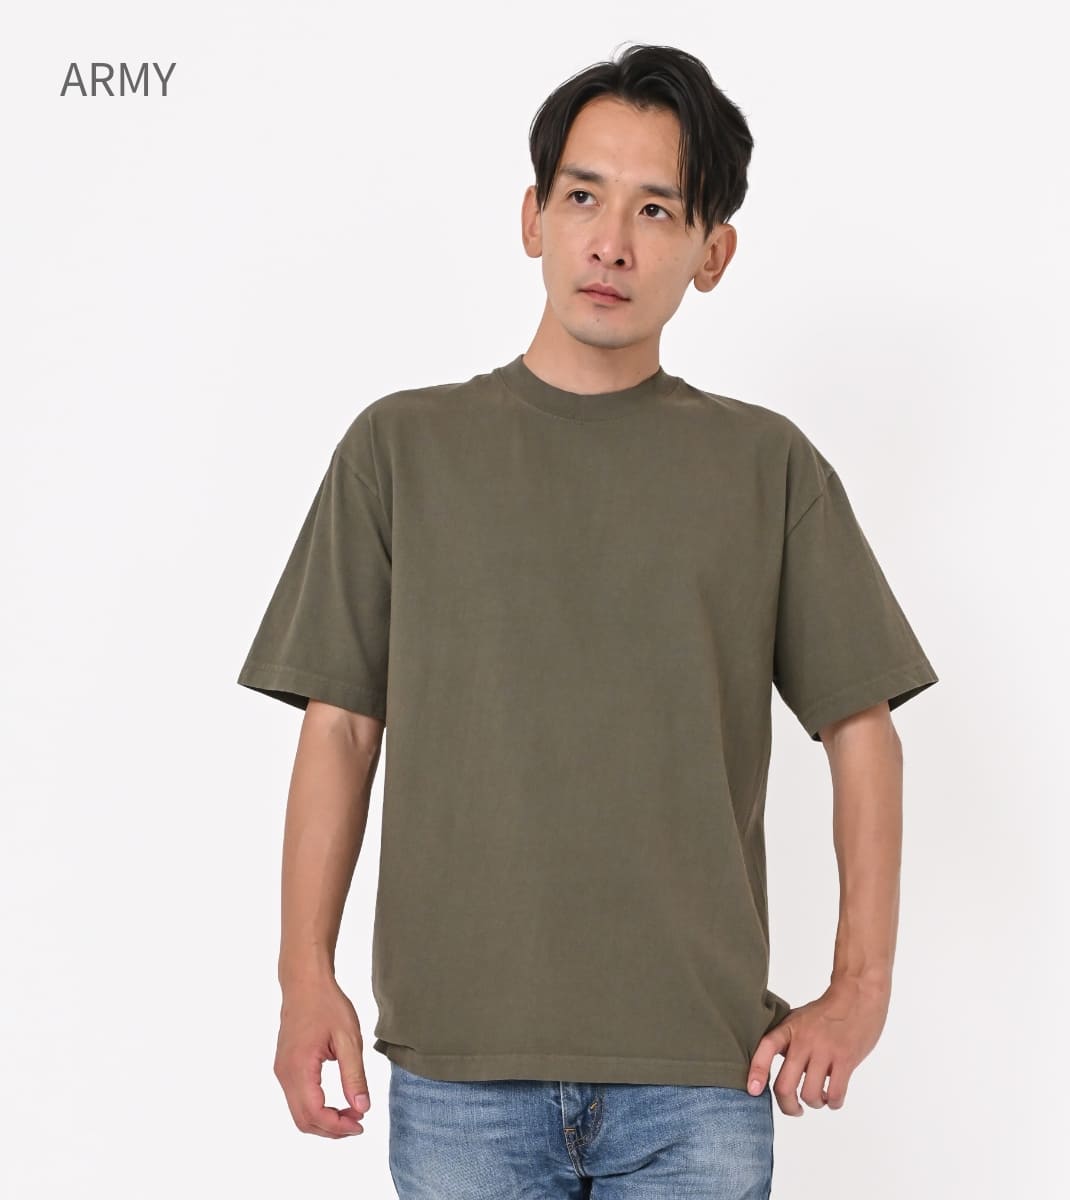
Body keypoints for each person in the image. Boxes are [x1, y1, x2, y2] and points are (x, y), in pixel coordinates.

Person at [236, 42, 939, 1199]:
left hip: (697, 1077)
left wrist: (862, 986)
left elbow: (863, 729)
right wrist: (303, 975)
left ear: (712, 253)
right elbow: (342, 727)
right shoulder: (402, 449)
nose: (611, 241)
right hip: (461, 1076)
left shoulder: (765, 467)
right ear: (533, 218)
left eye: (656, 209)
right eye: (582, 197)